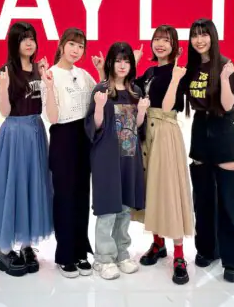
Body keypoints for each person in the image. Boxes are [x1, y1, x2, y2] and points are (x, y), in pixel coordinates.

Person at [0, 21, 53, 277]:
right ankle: (5, 251)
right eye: (23, 39)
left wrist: (47, 79)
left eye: (32, 38)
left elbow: (47, 106)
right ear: (14, 43)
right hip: (15, 134)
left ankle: (27, 245)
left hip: (36, 132)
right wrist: (4, 86)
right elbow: (5, 111)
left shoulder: (39, 69)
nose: (29, 43)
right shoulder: (5, 71)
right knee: (13, 188)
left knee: (32, 187)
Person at [184, 18, 234, 283]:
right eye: (195, 35)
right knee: (203, 196)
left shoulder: (224, 64)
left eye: (204, 35)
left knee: (229, 198)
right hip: (200, 128)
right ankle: (208, 249)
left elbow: (227, 104)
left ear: (212, 36)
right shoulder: (190, 68)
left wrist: (223, 79)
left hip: (223, 127)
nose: (199, 40)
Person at [132, 25, 195, 285]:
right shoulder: (149, 72)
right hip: (147, 131)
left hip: (166, 132)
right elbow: (128, 90)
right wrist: (134, 62)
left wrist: (177, 78)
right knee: (151, 187)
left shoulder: (178, 71)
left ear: (174, 45)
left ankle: (179, 255)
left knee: (169, 189)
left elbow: (169, 106)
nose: (160, 44)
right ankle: (158, 243)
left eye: (165, 40)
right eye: (156, 39)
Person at [84, 42, 149, 280]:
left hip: (129, 158)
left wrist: (142, 111)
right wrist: (99, 107)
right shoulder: (101, 89)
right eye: (118, 60)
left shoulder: (135, 91)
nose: (122, 65)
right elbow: (94, 126)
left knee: (124, 209)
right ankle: (103, 258)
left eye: (127, 61)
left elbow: (138, 127)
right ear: (110, 63)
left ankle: (122, 253)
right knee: (107, 209)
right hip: (106, 159)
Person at [42, 27, 98, 278]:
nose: (76, 50)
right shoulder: (51, 74)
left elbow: (102, 95)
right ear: (62, 44)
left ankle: (80, 251)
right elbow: (53, 117)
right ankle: (65, 254)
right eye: (72, 44)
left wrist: (100, 71)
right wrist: (49, 87)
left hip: (83, 137)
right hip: (63, 137)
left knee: (82, 195)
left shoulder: (83, 74)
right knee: (64, 196)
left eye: (81, 46)